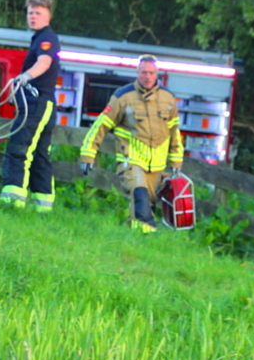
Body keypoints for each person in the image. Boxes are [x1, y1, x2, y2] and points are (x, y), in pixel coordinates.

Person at [79, 55, 184, 233]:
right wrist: (88, 154)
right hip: (131, 160)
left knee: (146, 205)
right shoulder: (123, 97)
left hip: (157, 166)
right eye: (144, 72)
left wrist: (176, 162)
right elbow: (100, 126)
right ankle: (147, 232)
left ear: (157, 74)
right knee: (139, 193)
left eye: (151, 73)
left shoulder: (168, 98)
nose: (147, 77)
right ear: (137, 73)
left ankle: (135, 237)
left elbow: (174, 133)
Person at [0, 0, 61, 212]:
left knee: (19, 148)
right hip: (40, 102)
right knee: (40, 154)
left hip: (38, 102)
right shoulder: (40, 38)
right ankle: (42, 207)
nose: (33, 17)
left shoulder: (47, 38)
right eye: (30, 13)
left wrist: (25, 76)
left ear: (48, 16)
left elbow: (44, 62)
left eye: (38, 13)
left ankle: (12, 201)